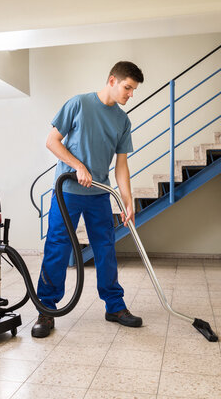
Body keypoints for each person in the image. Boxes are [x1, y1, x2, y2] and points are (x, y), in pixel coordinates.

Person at [32, 61, 144, 338]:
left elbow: (121, 166)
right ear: (112, 81)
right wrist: (77, 165)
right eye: (127, 87)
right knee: (57, 247)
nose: (130, 94)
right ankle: (46, 309)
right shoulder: (79, 104)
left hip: (99, 194)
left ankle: (114, 307)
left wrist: (127, 201)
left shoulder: (122, 121)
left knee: (105, 249)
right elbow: (52, 141)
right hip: (67, 192)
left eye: (134, 90)